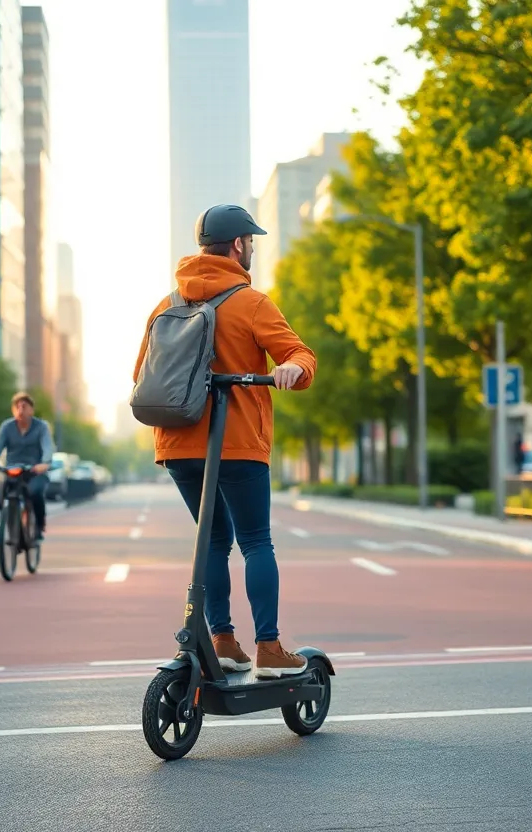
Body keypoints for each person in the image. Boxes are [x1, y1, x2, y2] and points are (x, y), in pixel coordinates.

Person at [133, 204, 317, 680]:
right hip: (235, 443)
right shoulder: (251, 302)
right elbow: (299, 356)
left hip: (177, 443)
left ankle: (222, 640)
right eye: (250, 241)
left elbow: (140, 375)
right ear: (238, 245)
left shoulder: (166, 305)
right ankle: (269, 648)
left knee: (212, 539)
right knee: (256, 540)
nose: (251, 248)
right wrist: (291, 368)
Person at [0, 392, 54, 543]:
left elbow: (47, 446)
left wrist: (45, 463)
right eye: (17, 407)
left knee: (35, 493)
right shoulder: (7, 427)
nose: (20, 410)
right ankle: (5, 529)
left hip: (34, 471)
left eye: (24, 406)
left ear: (31, 410)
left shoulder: (41, 427)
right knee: (4, 491)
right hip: (13, 470)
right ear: (13, 410)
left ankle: (39, 527)